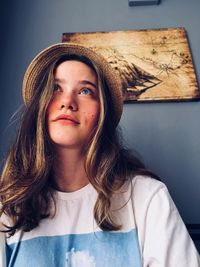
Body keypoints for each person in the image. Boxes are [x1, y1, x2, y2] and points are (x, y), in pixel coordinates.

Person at [0, 43, 199, 267]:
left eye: (85, 91)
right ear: (39, 107)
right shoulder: (6, 206)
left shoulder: (148, 197)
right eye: (56, 88)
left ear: (102, 114)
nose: (67, 102)